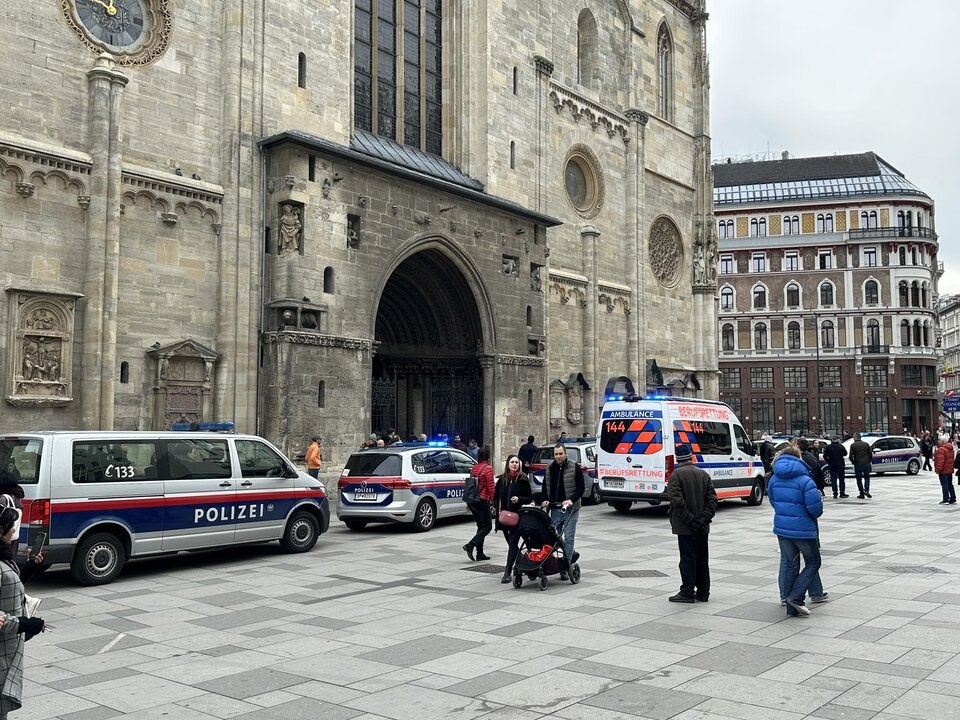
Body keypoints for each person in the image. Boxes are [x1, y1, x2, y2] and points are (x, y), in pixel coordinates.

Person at [0, 495, 46, 718]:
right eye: (11, 527)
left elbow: (10, 585)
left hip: (6, 647)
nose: (13, 531)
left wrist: (29, 567)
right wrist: (25, 624)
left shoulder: (4, 558)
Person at [767, 446, 823, 617]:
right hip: (803, 529)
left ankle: (789, 602)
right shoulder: (805, 480)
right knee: (813, 562)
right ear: (798, 458)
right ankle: (796, 597)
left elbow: (773, 501)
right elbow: (816, 509)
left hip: (782, 528)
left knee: (790, 564)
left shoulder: (774, 479)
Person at [665, 444, 718, 603]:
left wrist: (691, 520)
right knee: (702, 558)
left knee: (687, 558)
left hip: (686, 527)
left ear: (678, 459)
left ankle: (687, 591)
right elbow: (712, 499)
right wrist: (703, 519)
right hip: (702, 527)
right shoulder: (703, 474)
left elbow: (677, 501)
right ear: (691, 457)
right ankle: (703, 592)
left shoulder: (676, 475)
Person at [541, 443, 584, 580]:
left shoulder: (573, 466)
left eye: (560, 453)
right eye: (556, 454)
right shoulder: (550, 468)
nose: (558, 456)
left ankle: (565, 567)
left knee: (569, 537)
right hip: (555, 508)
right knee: (555, 537)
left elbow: (581, 487)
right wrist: (545, 500)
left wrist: (571, 499)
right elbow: (544, 488)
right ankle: (570, 554)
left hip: (571, 509)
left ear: (565, 453)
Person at [493, 454, 532, 583]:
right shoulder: (502, 479)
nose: (514, 464)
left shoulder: (522, 479)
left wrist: (519, 499)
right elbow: (496, 497)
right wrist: (495, 509)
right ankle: (521, 564)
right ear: (508, 465)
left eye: (516, 462)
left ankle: (507, 572)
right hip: (504, 518)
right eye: (512, 462)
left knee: (513, 544)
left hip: (517, 518)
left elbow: (529, 497)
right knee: (512, 545)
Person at [463, 446, 495, 561]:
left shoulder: (474, 468)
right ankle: (470, 545)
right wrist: (494, 503)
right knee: (487, 526)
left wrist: (468, 503)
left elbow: (470, 487)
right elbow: (491, 488)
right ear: (488, 456)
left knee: (480, 526)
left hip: (472, 501)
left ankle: (480, 553)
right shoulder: (488, 469)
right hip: (482, 500)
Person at [849, 433, 873, 499]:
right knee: (867, 477)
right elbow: (870, 454)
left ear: (855, 437)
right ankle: (866, 490)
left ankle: (861, 493)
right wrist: (869, 461)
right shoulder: (866, 444)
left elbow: (850, 456)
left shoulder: (853, 445)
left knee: (859, 479)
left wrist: (853, 462)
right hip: (866, 463)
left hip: (858, 463)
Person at [934, 434, 956, 505]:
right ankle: (953, 498)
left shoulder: (941, 449)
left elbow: (940, 461)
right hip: (949, 469)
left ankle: (945, 499)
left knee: (944, 485)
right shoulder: (950, 448)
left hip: (943, 470)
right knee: (950, 484)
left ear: (943, 441)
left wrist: (938, 470)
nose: (938, 441)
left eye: (939, 440)